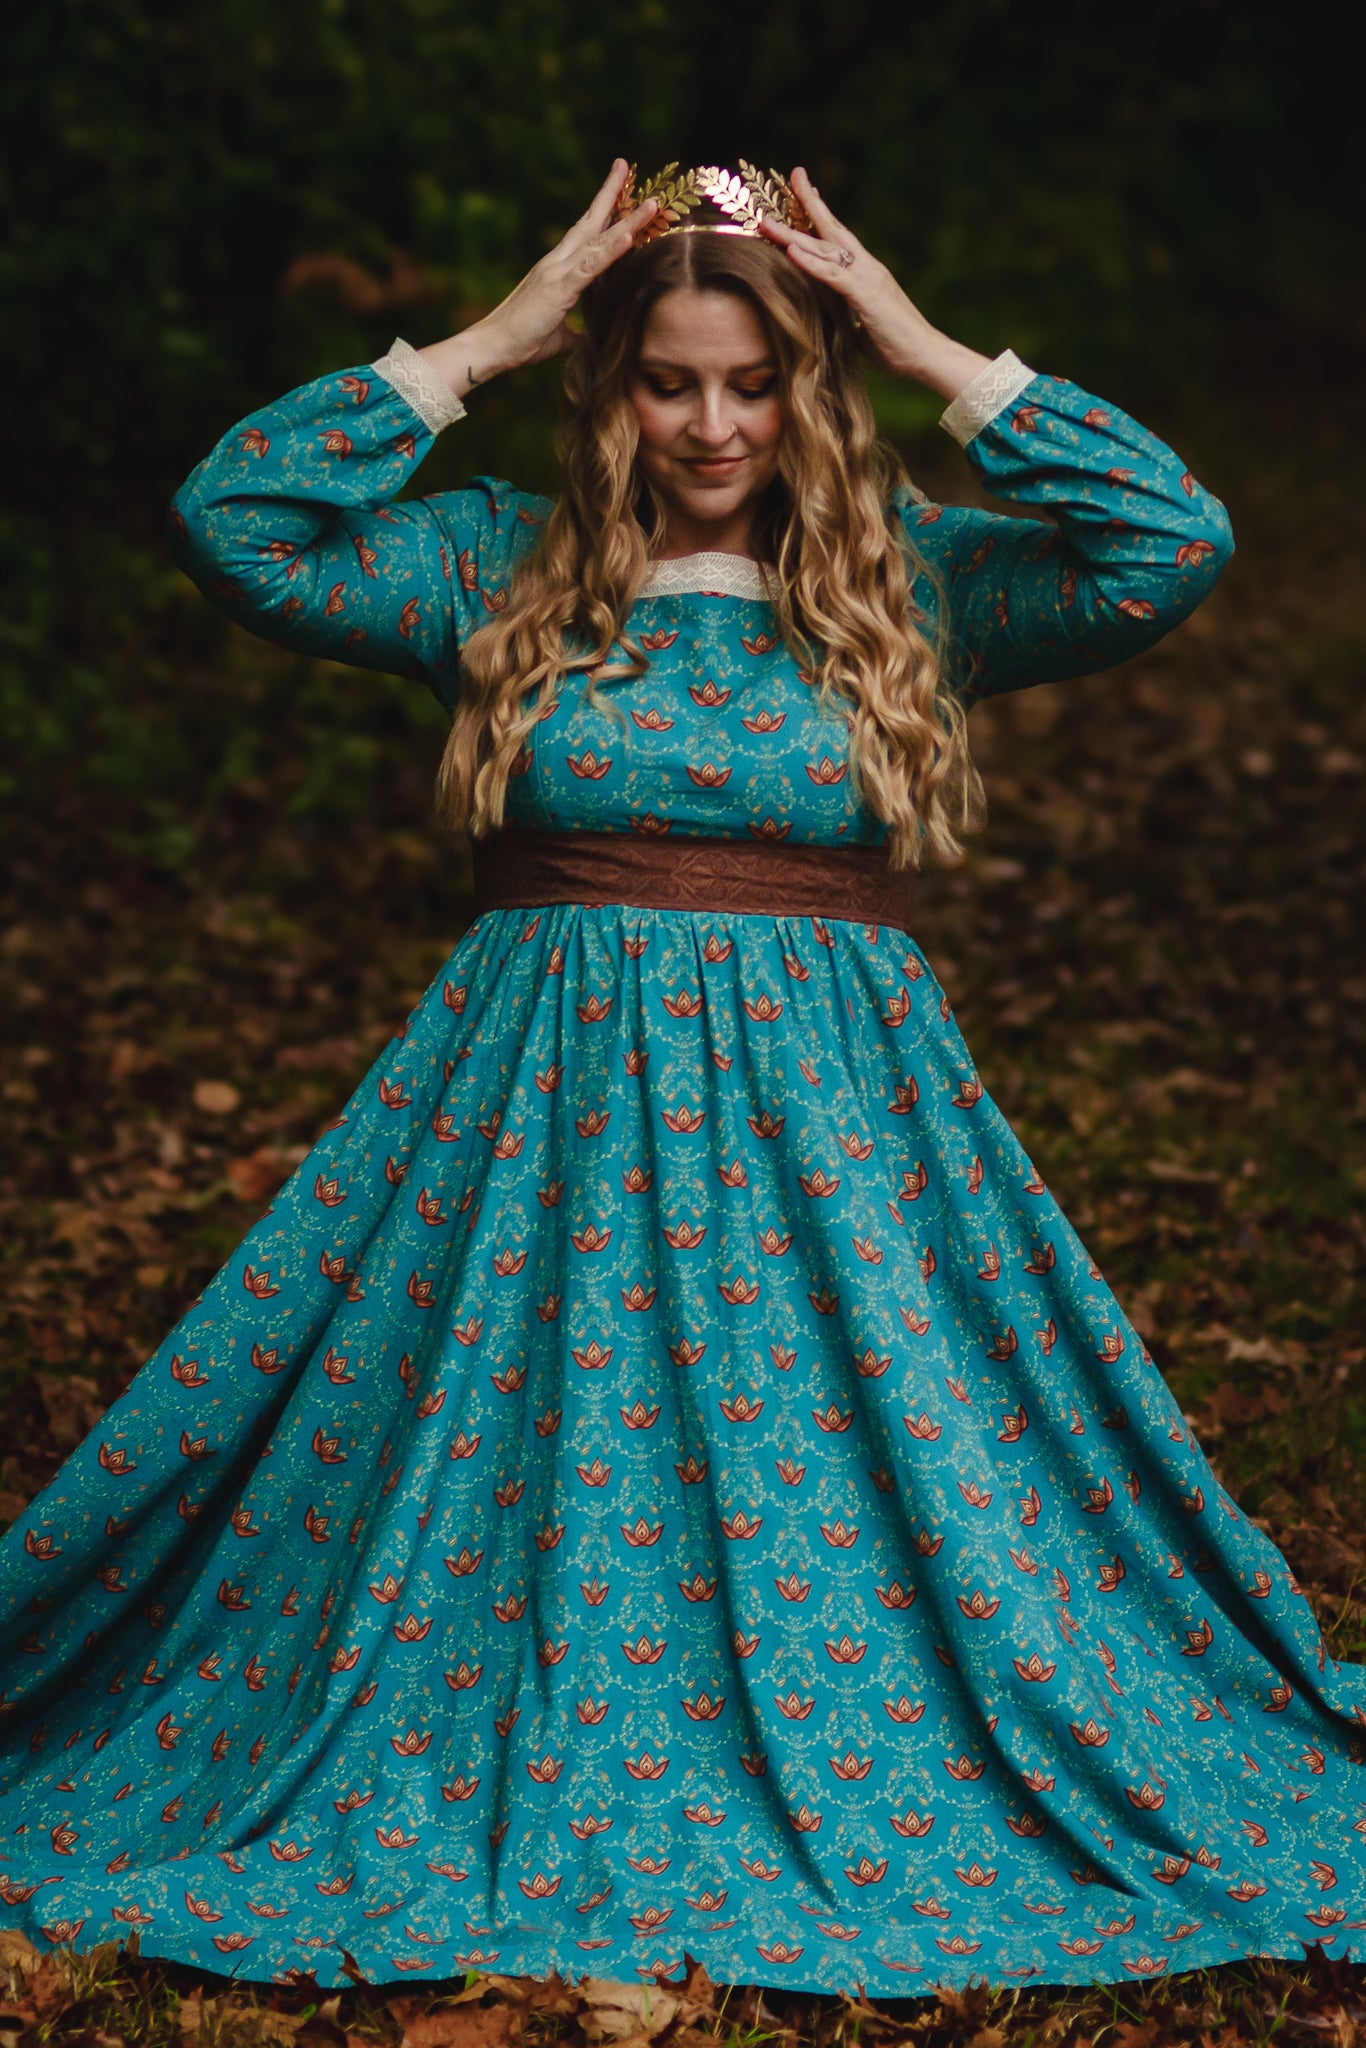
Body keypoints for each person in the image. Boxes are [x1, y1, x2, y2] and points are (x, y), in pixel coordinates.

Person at [1, 158, 1361, 1999]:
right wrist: (486, 339)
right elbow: (237, 522)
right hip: (531, 1113)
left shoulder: (916, 586)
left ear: (811, 386)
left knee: (880, 1472)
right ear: (612, 387)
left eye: (756, 379)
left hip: (843, 1125)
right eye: (669, 381)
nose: (714, 423)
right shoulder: (494, 564)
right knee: (502, 1452)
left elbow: (1167, 544)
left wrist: (915, 339)